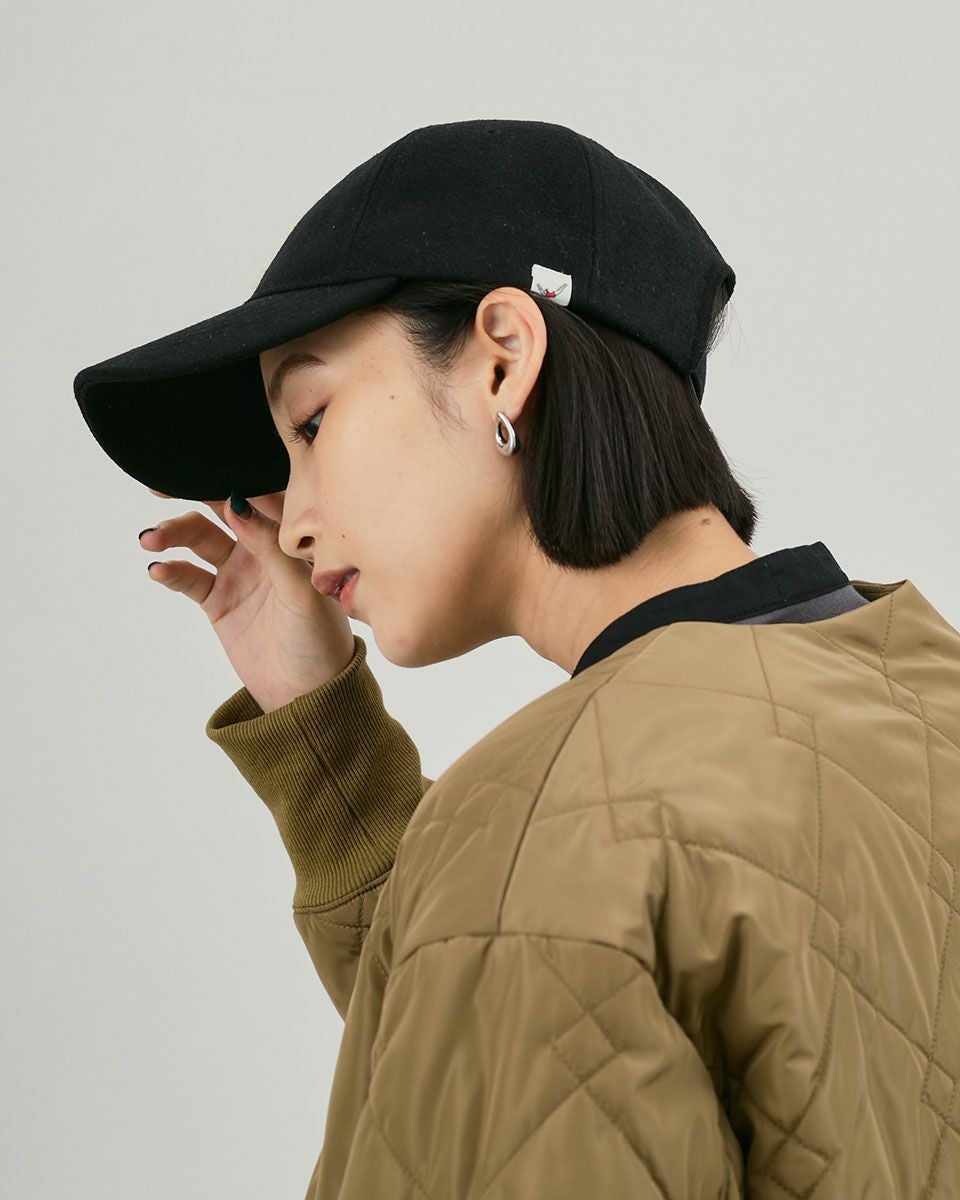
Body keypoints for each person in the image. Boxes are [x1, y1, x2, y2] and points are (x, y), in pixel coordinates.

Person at [73, 120, 960, 1198]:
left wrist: (472, 853)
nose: (291, 523)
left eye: (308, 424)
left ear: (503, 358)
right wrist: (324, 738)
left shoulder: (551, 827)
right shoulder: (925, 691)